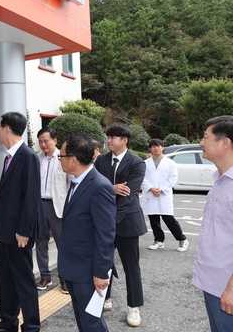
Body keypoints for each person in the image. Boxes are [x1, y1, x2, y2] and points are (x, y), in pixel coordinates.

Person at [0, 112, 44, 332]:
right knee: (7, 280)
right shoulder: (9, 156)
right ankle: (8, 323)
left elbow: (30, 198)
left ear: (7, 128)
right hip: (5, 232)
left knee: (24, 282)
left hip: (19, 233)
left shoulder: (26, 156)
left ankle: (31, 327)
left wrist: (24, 231)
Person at [58, 134, 116, 332]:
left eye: (62, 156)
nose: (60, 159)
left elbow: (106, 234)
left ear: (73, 160)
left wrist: (100, 272)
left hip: (88, 271)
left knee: (92, 323)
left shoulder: (99, 186)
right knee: (84, 321)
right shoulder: (79, 181)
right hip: (75, 267)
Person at [94, 123, 147, 327]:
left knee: (130, 266)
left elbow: (128, 194)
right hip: (104, 220)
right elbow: (95, 185)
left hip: (126, 222)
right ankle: (105, 299)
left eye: (113, 137)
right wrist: (111, 188)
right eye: (107, 136)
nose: (108, 140)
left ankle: (133, 307)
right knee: (103, 262)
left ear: (124, 140)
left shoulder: (137, 162)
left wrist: (112, 222)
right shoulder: (101, 160)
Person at [192, 115, 233, 331]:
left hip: (227, 287)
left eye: (205, 137)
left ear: (225, 143)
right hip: (213, 283)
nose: (201, 142)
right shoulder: (220, 179)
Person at [35, 128, 71, 294]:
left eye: (46, 141)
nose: (43, 144)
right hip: (39, 206)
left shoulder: (63, 158)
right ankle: (45, 275)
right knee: (40, 242)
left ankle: (64, 278)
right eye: (40, 141)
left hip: (58, 206)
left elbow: (71, 183)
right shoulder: (36, 159)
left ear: (55, 140)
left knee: (62, 243)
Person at [141, 139, 189, 252]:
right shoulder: (145, 163)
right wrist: (151, 188)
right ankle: (159, 240)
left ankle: (182, 239)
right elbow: (142, 178)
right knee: (153, 219)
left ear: (163, 147)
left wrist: (162, 189)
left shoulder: (170, 163)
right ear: (150, 149)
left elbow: (173, 178)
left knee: (168, 219)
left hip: (163, 194)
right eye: (153, 146)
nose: (156, 148)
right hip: (151, 193)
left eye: (158, 146)